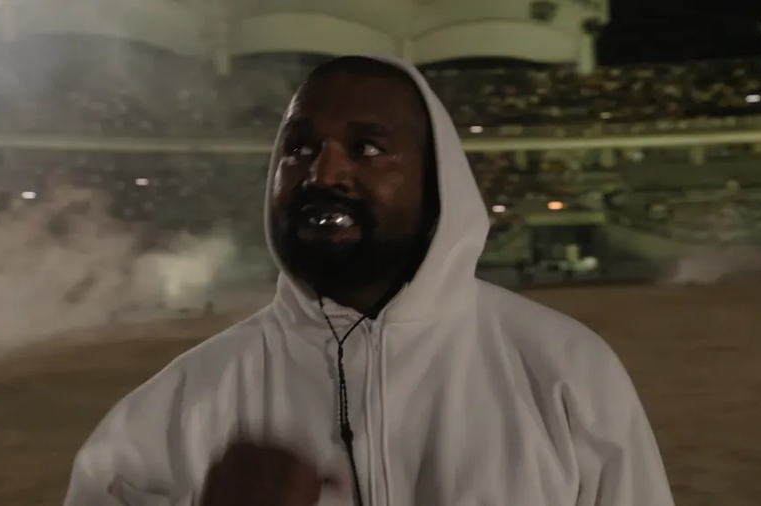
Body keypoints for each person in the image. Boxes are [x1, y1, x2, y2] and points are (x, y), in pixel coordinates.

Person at [63, 55, 675, 506]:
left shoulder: (564, 373)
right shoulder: (173, 411)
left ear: (437, 182)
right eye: (299, 149)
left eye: (367, 148)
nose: (323, 172)